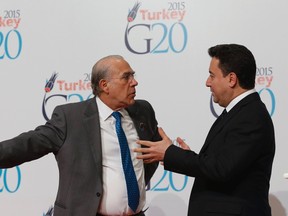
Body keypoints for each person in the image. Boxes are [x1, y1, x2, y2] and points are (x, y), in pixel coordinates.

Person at [0, 55, 161, 216]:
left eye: (133, 75)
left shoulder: (143, 111)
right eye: (126, 77)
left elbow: (154, 152)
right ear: (105, 85)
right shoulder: (71, 117)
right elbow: (29, 143)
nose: (134, 82)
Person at [135, 44, 275, 216]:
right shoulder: (239, 112)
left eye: (212, 75)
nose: (207, 82)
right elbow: (223, 163)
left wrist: (170, 153)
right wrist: (185, 155)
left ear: (231, 79)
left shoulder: (251, 116)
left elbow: (221, 169)